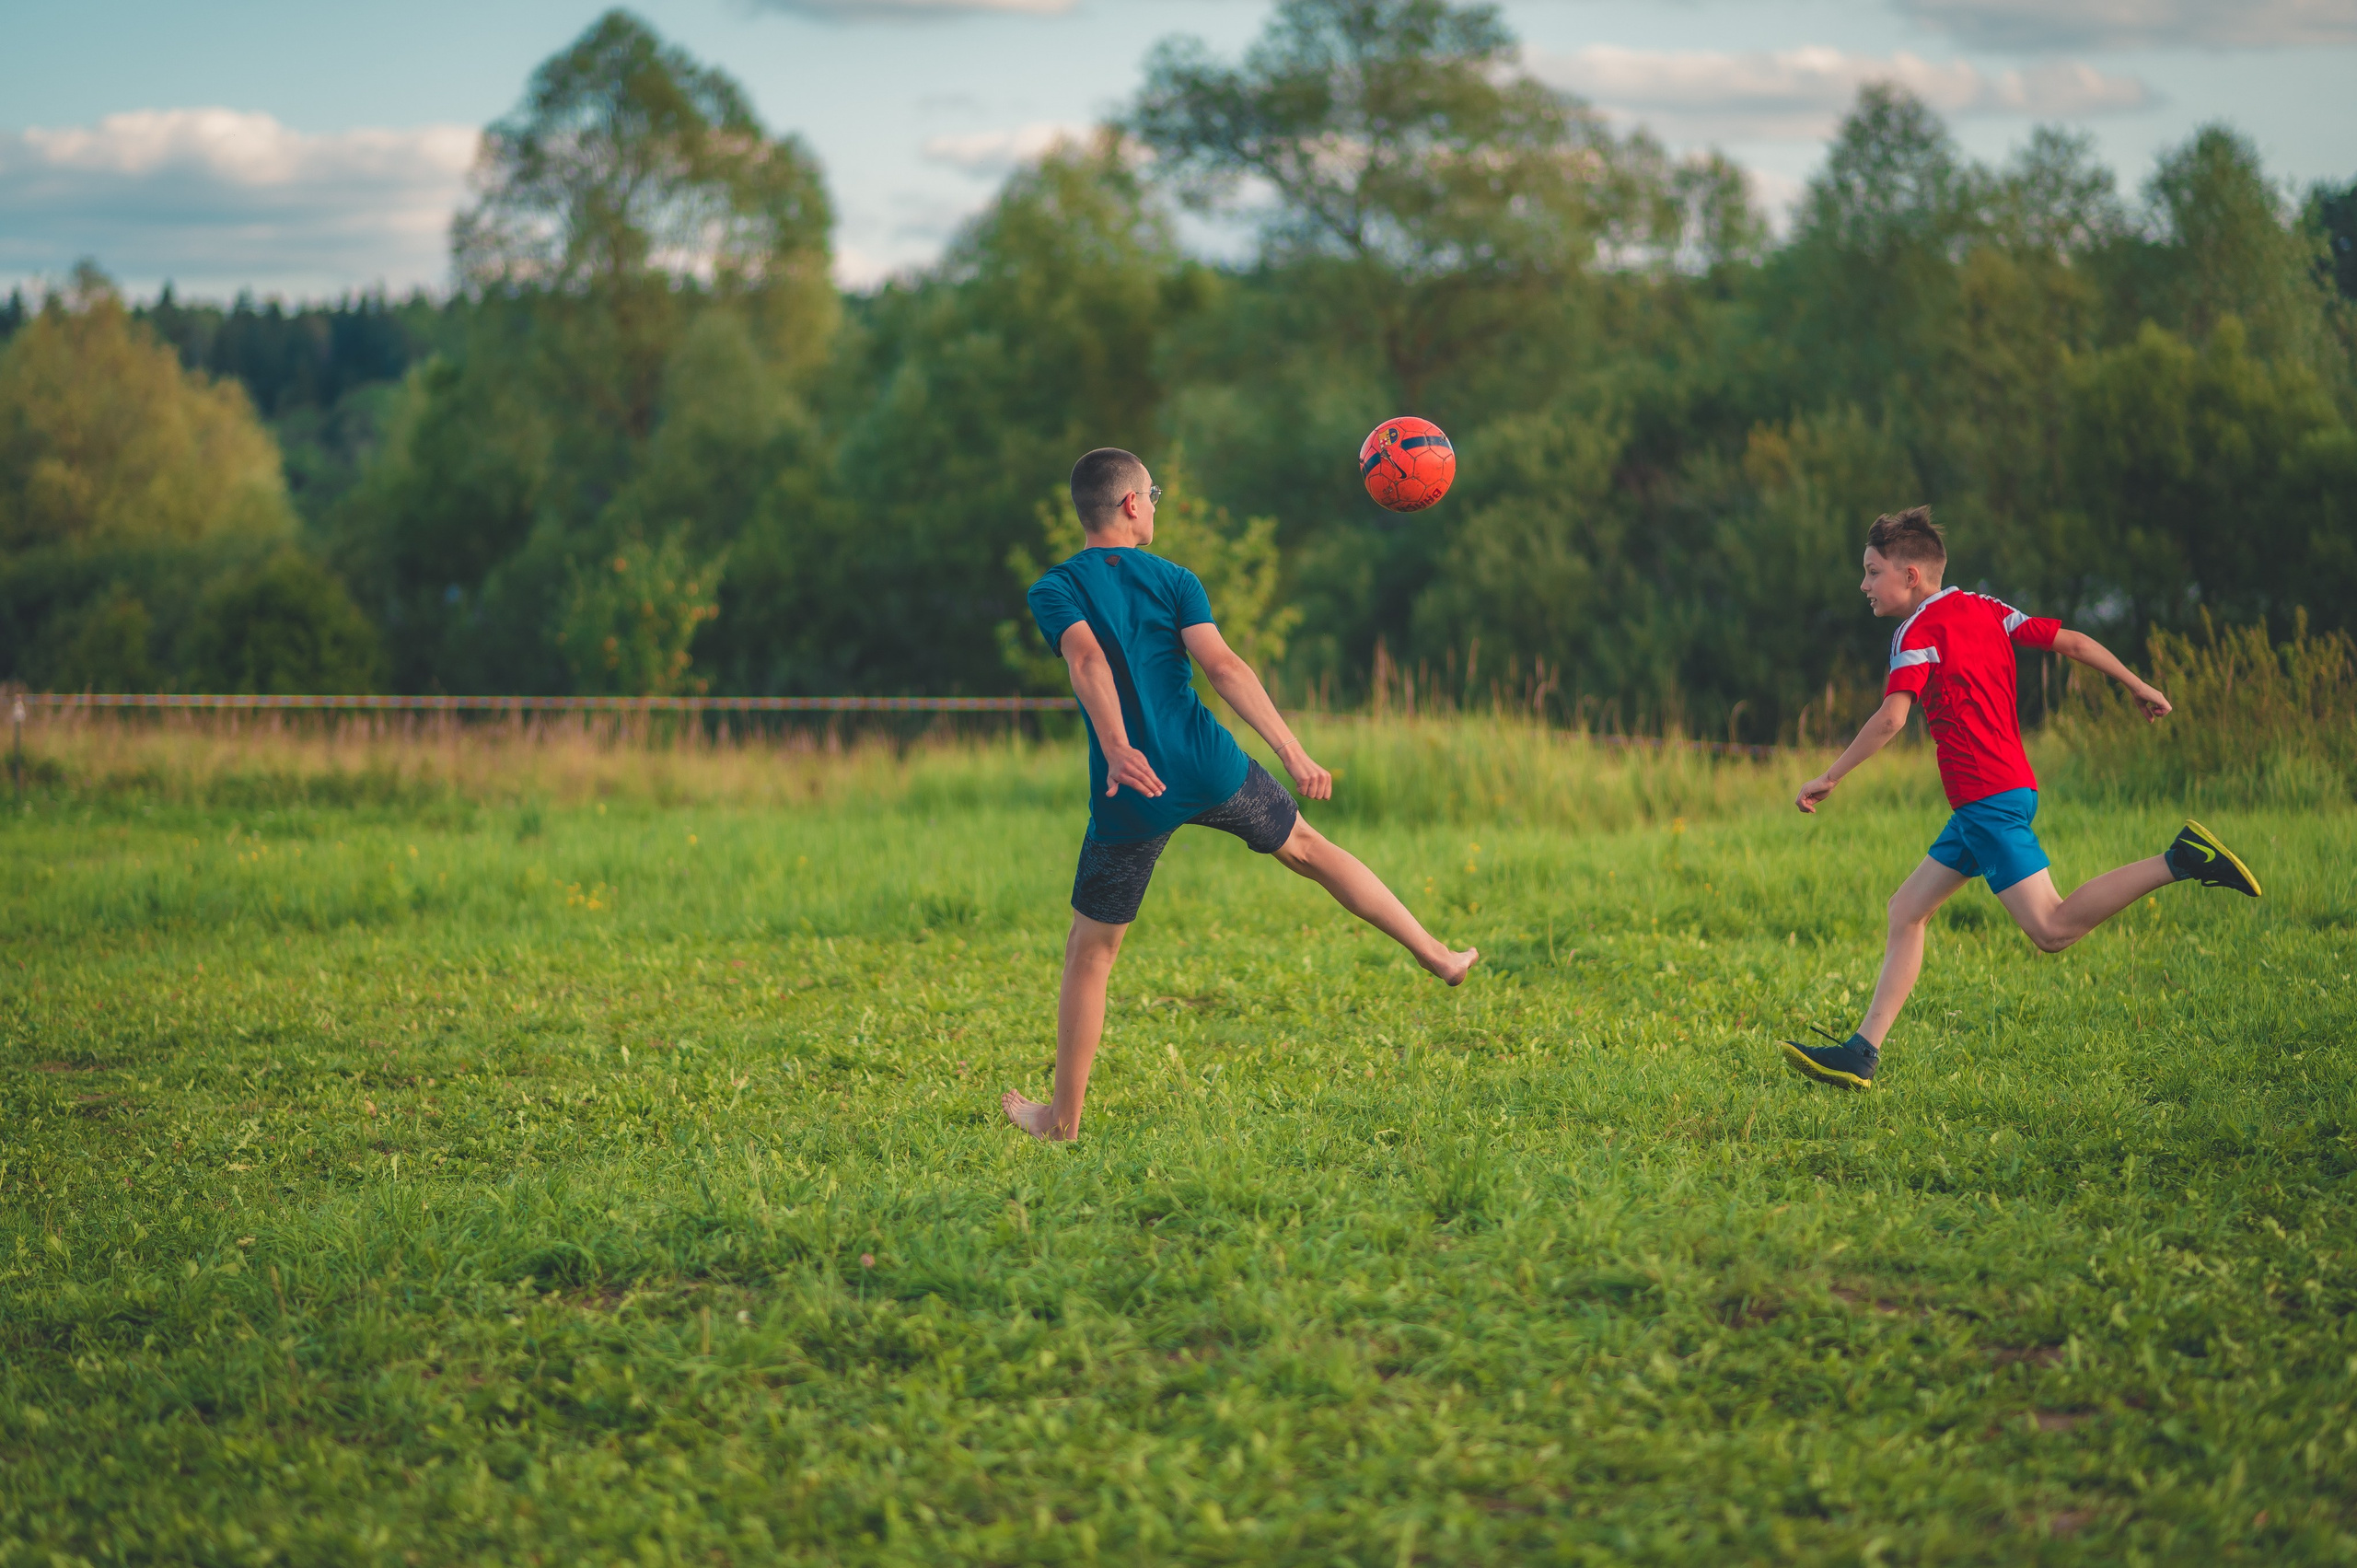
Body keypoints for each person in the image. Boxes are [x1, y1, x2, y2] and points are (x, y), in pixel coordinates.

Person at [1002, 447, 1479, 1142]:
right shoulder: (1176, 579)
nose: (1155, 506)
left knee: (1092, 949)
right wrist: (1292, 751)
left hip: (1134, 785)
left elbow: (1086, 658)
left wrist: (1117, 745)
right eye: (1152, 495)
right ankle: (1438, 954)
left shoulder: (1054, 588)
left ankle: (1061, 1120)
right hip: (1208, 764)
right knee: (1308, 848)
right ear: (1131, 504)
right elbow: (1223, 667)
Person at [1780, 506, 2261, 1091]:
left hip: (1986, 800)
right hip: (2002, 793)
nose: (1864, 584)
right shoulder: (1988, 608)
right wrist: (2137, 684)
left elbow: (1891, 718)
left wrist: (1830, 777)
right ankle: (1861, 1053)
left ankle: (2181, 859)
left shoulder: (1916, 633)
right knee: (1906, 910)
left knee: (2052, 929)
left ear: (1910, 575)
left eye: (1872, 571)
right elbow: (2073, 642)